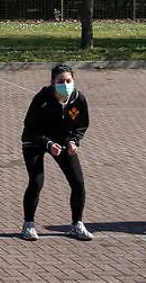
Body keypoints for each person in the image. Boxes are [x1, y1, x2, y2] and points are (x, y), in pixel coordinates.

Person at [20, 63, 92, 242]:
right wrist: (48, 143)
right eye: (61, 81)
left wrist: (74, 141)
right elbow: (30, 125)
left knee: (78, 183)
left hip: (62, 142)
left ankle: (77, 224)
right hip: (35, 141)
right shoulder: (42, 99)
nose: (65, 84)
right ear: (53, 83)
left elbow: (81, 125)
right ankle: (28, 224)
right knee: (36, 181)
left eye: (68, 80)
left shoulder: (78, 99)